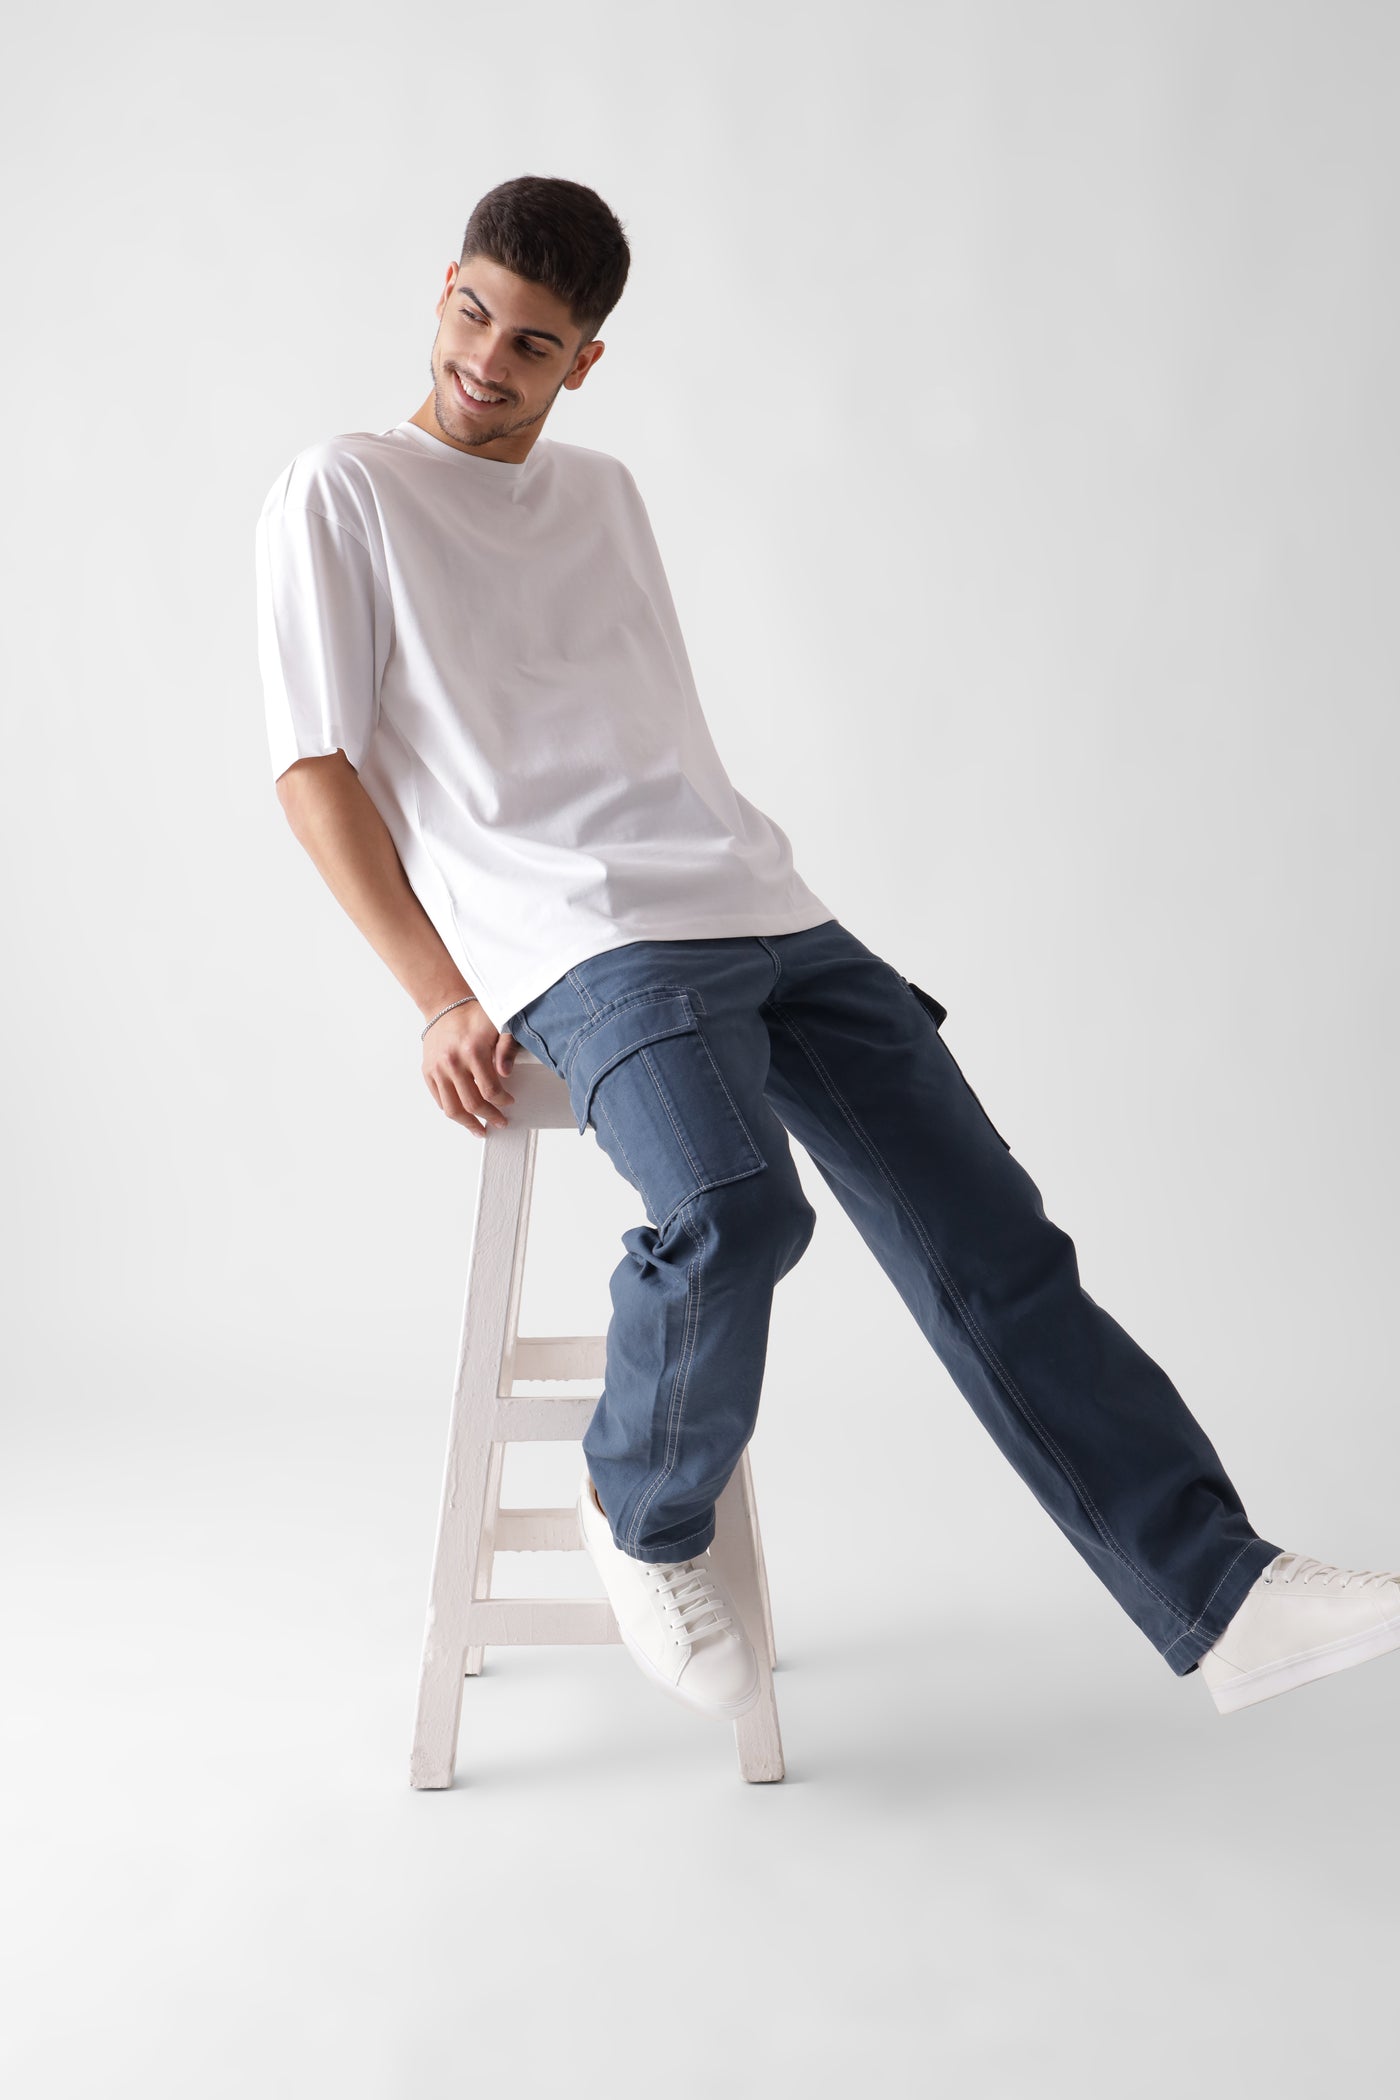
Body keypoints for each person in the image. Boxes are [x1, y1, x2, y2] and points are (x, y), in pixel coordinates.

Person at [256, 173, 1400, 1730]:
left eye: (534, 343)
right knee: (735, 1207)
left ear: (585, 360)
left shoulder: (604, 497)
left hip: (763, 903)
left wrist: (745, 887)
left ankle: (1225, 1594)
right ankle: (642, 1509)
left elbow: (647, 732)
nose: (489, 361)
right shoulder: (342, 489)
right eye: (475, 315)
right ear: (442, 286)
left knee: (996, 1240)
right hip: (580, 936)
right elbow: (314, 766)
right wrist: (441, 991)